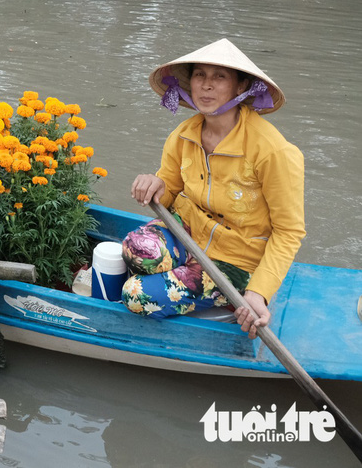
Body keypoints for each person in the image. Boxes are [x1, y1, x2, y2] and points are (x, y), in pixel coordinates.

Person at [124, 38, 305, 340]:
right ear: (191, 83)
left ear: (240, 87)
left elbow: (289, 231)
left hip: (236, 259)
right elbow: (167, 190)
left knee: (136, 294)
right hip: (188, 232)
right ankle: (188, 278)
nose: (206, 86)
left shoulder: (273, 151)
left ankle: (232, 290)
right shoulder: (184, 135)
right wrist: (155, 185)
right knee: (136, 250)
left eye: (219, 77)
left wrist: (259, 292)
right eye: (200, 75)